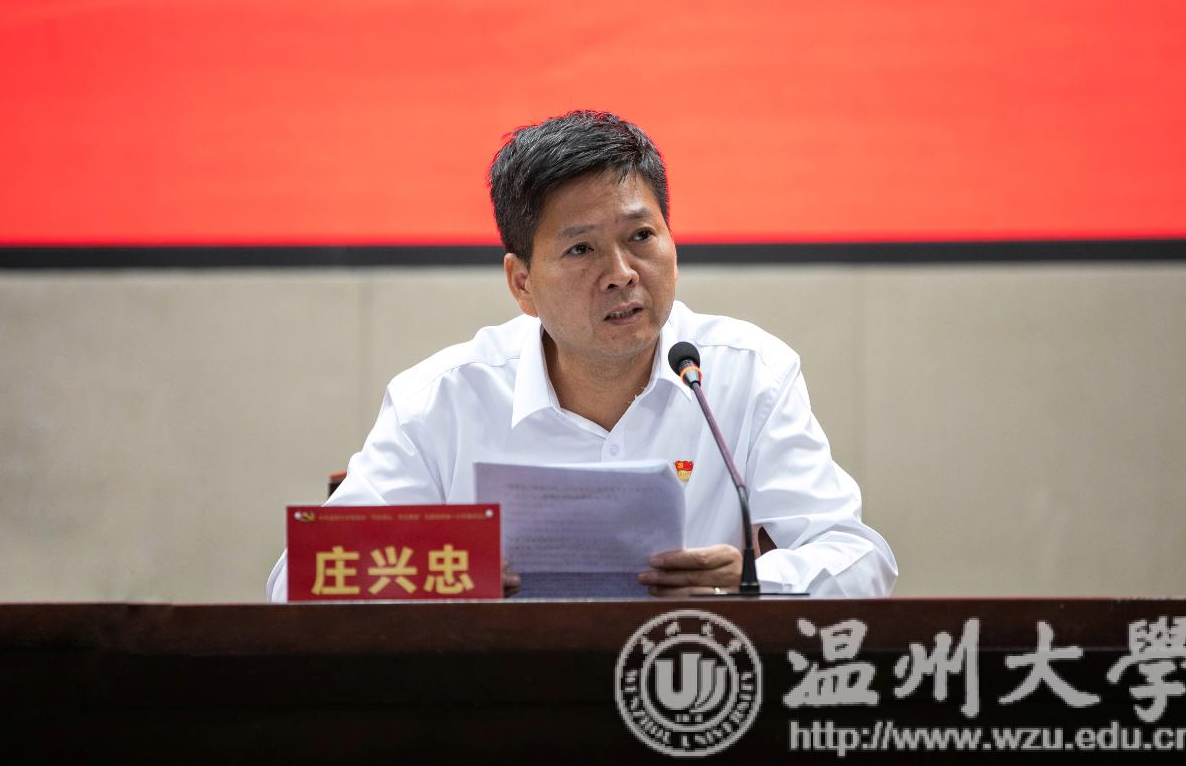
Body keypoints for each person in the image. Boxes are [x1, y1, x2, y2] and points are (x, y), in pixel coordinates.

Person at [267, 110, 896, 601]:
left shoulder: (746, 373)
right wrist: (441, 582)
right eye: (581, 250)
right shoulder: (441, 400)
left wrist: (752, 583)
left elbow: (860, 557)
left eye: (641, 236)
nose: (622, 273)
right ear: (522, 284)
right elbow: (296, 580)